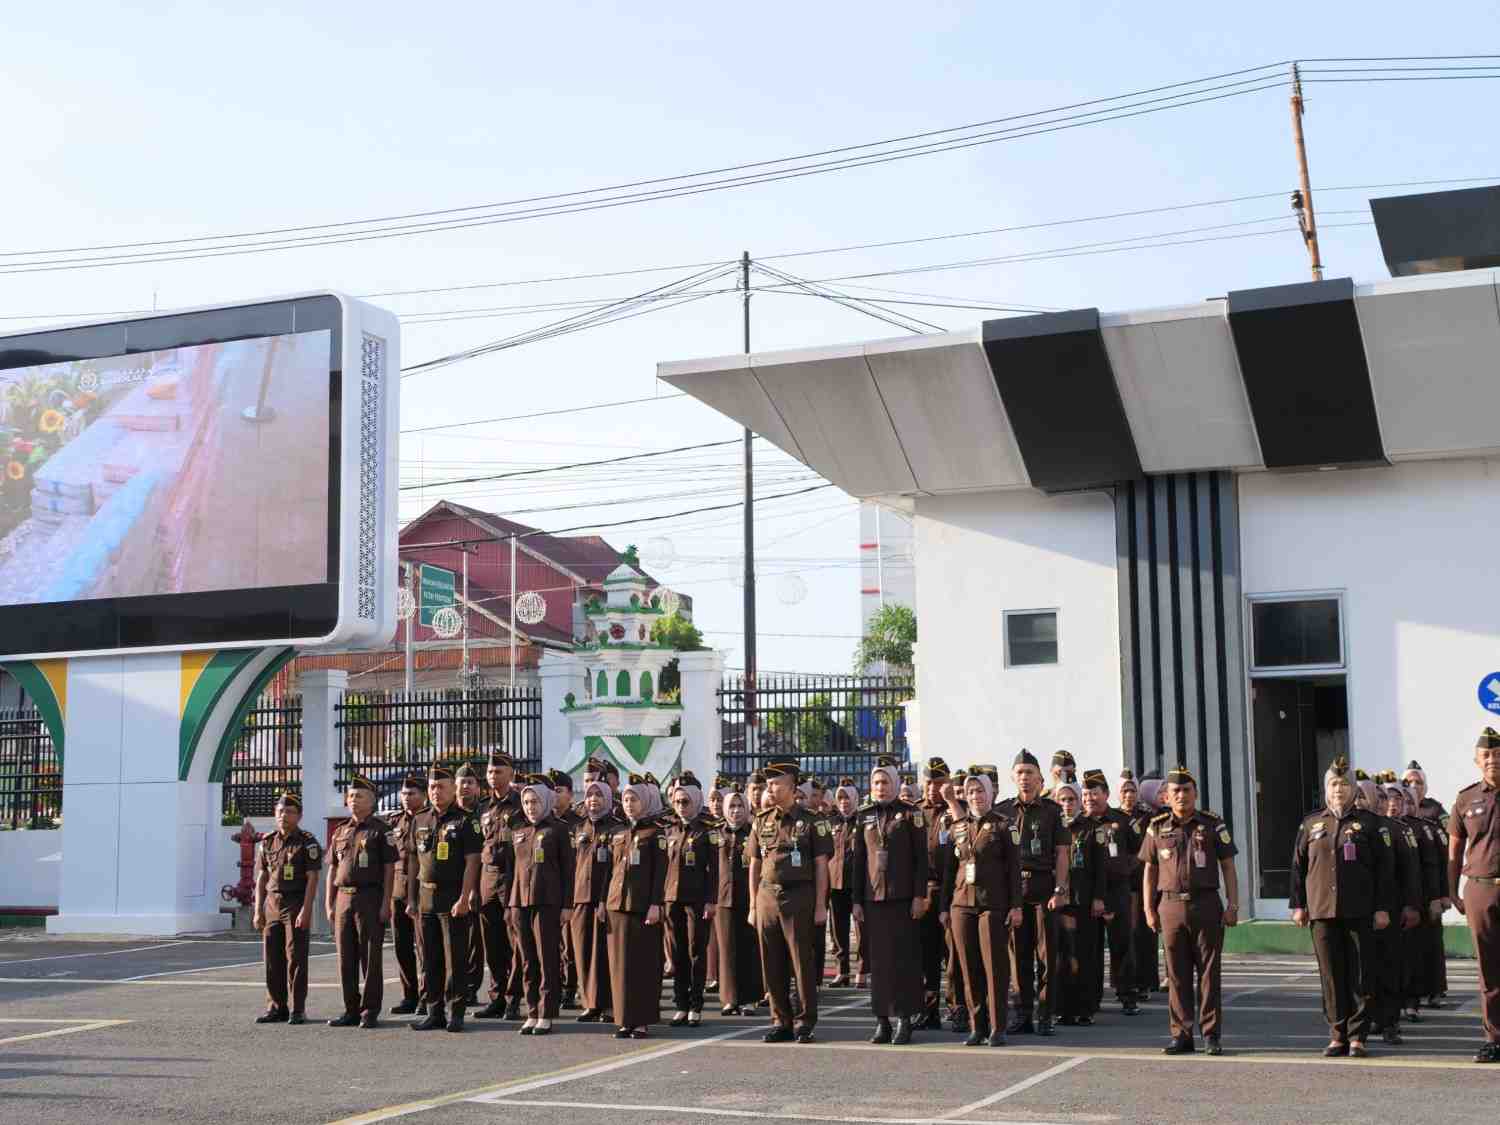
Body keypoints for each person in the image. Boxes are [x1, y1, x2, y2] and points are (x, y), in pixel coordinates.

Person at [1290, 758, 1393, 1057]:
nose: (1339, 789)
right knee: (1331, 976)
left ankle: (1358, 1036)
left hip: (1360, 910)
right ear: (1326, 788)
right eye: (1334, 784)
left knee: (1361, 974)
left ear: (1353, 790)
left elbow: (1385, 871)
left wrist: (1383, 908)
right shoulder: (1311, 823)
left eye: (1345, 784)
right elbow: (1298, 866)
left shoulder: (1370, 823)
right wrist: (1298, 904)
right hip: (1322, 910)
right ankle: (1337, 1034)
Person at [1140, 765, 1238, 1056]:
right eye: (1175, 791)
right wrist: (1148, 908)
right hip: (1169, 906)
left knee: (1209, 973)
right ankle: (1181, 1034)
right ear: (1167, 797)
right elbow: (1149, 870)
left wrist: (1233, 905)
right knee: (1176, 974)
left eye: (1186, 790)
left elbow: (1228, 866)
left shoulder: (1211, 824)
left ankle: (1211, 1034)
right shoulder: (1157, 826)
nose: (1181, 795)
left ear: (1195, 794)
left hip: (1205, 904)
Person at [748, 757, 831, 1044]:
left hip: (800, 896)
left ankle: (805, 1021)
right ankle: (780, 1020)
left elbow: (822, 866)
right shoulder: (761, 821)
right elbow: (754, 865)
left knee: (801, 962)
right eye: (769, 783)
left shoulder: (811, 821)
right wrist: (752, 905)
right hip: (767, 895)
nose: (771, 787)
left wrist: (821, 905)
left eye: (777, 782)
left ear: (792, 786)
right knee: (771, 962)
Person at [941, 768, 1021, 1046]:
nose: (976, 796)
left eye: (980, 790)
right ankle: (978, 1026)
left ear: (991, 793)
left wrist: (1016, 906)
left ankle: (998, 1028)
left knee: (994, 967)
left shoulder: (1004, 825)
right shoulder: (958, 827)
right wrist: (944, 907)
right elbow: (949, 871)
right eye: (971, 791)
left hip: (993, 905)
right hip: (961, 904)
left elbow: (1014, 869)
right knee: (968, 967)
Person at [852, 756, 929, 1045]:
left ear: (896, 783)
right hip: (873, 899)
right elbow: (858, 861)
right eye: (876, 782)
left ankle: (904, 1020)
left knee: (904, 961)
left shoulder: (911, 815)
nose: (881, 787)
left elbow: (921, 859)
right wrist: (857, 900)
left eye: (885, 781)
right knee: (879, 963)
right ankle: (882, 1020)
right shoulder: (864, 815)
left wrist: (919, 896)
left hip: (903, 898)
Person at [996, 749, 1068, 1036]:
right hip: (1014, 893)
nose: (1025, 778)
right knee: (1018, 957)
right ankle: (1022, 1014)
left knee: (1046, 957)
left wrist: (1060, 889)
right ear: (1013, 777)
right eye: (1020, 773)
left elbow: (1062, 854)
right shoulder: (1002, 811)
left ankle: (1045, 1015)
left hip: (1043, 889)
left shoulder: (1052, 812)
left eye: (1030, 774)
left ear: (1040, 779)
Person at [408, 763, 482, 1032]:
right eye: (432, 787)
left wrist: (465, 897)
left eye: (441, 787)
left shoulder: (465, 820)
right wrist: (411, 900)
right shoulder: (421, 819)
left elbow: (473, 861)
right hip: (426, 896)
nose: (436, 791)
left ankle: (457, 1011)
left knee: (455, 959)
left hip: (452, 897)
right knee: (430, 959)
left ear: (452, 789)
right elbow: (413, 861)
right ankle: (434, 1011)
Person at [325, 774, 396, 1029]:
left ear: (372, 800)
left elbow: (390, 868)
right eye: (351, 796)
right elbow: (332, 869)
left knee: (370, 957)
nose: (354, 800)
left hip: (370, 896)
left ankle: (370, 1010)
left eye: (360, 796)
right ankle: (350, 1009)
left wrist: (386, 901)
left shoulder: (381, 830)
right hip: (344, 897)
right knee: (346, 957)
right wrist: (329, 902)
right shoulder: (341, 831)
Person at [1449, 726, 1500, 1063]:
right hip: (1480, 890)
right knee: (1489, 969)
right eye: (1486, 756)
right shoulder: (1466, 799)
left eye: (1497, 754)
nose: (1493, 760)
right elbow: (1454, 849)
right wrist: (1451, 892)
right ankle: (1495, 1038)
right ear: (1476, 761)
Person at [510, 774, 575, 1035]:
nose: (530, 807)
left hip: (547, 902)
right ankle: (532, 1010)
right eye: (526, 802)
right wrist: (510, 904)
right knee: (527, 960)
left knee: (547, 958)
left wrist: (567, 905)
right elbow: (512, 869)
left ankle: (547, 1012)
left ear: (546, 801)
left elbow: (568, 869)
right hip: (521, 901)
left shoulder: (558, 829)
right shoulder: (519, 829)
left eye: (535, 801)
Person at [607, 774, 668, 1038]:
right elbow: (610, 871)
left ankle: (641, 1020)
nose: (629, 804)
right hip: (616, 906)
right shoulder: (619, 832)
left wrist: (656, 904)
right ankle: (624, 1019)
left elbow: (660, 873)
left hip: (643, 907)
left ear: (645, 801)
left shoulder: (655, 833)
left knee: (643, 965)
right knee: (620, 966)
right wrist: (603, 901)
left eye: (634, 799)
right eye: (626, 799)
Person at [253, 790, 321, 1025]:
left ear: (299, 816)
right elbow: (262, 877)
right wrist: (257, 909)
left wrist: (306, 909)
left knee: (296, 958)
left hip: (295, 902)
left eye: (289, 812)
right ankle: (276, 1006)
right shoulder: (267, 841)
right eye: (280, 811)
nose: (284, 815)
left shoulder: (307, 841)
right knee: (272, 958)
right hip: (272, 903)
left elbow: (313, 877)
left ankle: (297, 1008)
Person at [1365, 778, 1422, 1045]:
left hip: (1392, 908)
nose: (1379, 800)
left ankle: (1390, 1023)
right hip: (1361, 910)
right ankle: (1370, 1019)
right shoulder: (1360, 827)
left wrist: (1411, 905)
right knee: (1366, 970)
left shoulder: (1396, 829)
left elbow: (1411, 872)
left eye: (1380, 796)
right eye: (1372, 795)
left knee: (1389, 967)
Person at [664, 771, 719, 1027]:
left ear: (696, 801)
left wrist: (711, 900)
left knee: (696, 952)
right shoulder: (669, 828)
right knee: (677, 955)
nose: (681, 807)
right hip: (671, 899)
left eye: (685, 802)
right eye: (677, 802)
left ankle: (696, 1005)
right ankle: (681, 1005)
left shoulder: (707, 830)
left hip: (697, 900)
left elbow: (715, 869)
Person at [474, 751, 525, 1020]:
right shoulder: (483, 807)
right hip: (488, 879)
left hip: (512, 876)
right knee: (491, 942)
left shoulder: (520, 805)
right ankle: (496, 997)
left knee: (514, 941)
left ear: (511, 774)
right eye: (491, 772)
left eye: (500, 772)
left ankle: (514, 997)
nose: (494, 776)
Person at [1054, 781, 1110, 1026]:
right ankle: (1063, 1008)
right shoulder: (1051, 827)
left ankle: (1085, 1008)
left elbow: (1101, 866)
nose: (1066, 804)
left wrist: (1099, 897)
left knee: (1084, 955)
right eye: (1062, 800)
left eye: (1071, 799)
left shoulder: (1090, 828)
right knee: (1061, 957)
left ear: (1078, 802)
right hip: (1058, 901)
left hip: (1084, 900)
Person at [1084, 770, 1139, 1016]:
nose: (1089, 799)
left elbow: (1141, 851)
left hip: (1117, 890)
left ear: (1106, 794)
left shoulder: (1121, 820)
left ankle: (1127, 995)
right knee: (1091, 947)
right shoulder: (1078, 823)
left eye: (1094, 793)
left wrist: (1124, 868)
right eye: (1086, 794)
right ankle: (1092, 998)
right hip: (1087, 893)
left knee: (1122, 944)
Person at [572, 778, 621, 1022]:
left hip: (604, 900)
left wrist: (604, 900)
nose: (593, 800)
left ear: (608, 799)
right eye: (589, 795)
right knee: (582, 951)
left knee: (603, 953)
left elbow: (615, 869)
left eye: (598, 795)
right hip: (580, 898)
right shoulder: (579, 828)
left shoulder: (616, 829)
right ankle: (590, 1002)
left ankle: (609, 1004)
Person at [1406, 758, 1452, 1005]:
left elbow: (1448, 849)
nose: (1414, 785)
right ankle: (1412, 995)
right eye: (1409, 781)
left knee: (1433, 942)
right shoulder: (1399, 811)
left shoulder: (1436, 811)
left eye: (1418, 781)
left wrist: (1445, 891)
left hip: (1431, 886)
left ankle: (1435, 990)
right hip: (1409, 890)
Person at [715, 786, 762, 1014]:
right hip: (723, 899)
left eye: (740, 806)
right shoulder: (717, 833)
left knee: (749, 949)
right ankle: (730, 998)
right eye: (731, 806)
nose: (735, 811)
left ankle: (750, 998)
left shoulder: (754, 831)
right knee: (726, 949)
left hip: (749, 898)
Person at [916, 757, 953, 1031]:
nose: (932, 788)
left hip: (953, 891)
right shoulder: (915, 813)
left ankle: (957, 1008)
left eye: (938, 782)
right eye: (929, 782)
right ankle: (929, 1012)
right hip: (925, 891)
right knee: (926, 956)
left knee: (954, 956)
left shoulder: (956, 812)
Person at [387, 775, 428, 1016]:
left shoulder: (429, 819)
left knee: (425, 948)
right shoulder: (395, 821)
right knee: (402, 946)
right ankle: (409, 995)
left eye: (412, 793)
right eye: (404, 793)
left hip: (422, 890)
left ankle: (428, 995)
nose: (406, 797)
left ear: (423, 795)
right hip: (398, 889)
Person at [1120, 770, 1160, 1003]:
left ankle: (1146, 981)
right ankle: (1128, 982)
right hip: (1122, 883)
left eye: (1132, 790)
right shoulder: (1114, 817)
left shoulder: (1146, 818)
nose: (1128, 795)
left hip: (1142, 881)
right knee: (1128, 934)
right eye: (1125, 790)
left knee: (1144, 934)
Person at [548, 769, 582, 1011]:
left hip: (573, 890)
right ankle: (555, 985)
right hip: (550, 890)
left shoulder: (578, 824)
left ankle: (571, 988)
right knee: (551, 944)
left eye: (558, 791)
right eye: (551, 791)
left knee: (570, 944)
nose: (554, 795)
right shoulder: (543, 823)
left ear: (570, 795)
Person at [454, 762, 487, 1005]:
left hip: (478, 883)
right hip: (449, 885)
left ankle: (471, 988)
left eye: (470, 783)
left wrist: (474, 889)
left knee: (474, 940)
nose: (465, 786)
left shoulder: (483, 813)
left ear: (478, 788)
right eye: (461, 782)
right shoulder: (447, 812)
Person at [827, 777, 860, 987]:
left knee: (861, 930)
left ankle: (863, 971)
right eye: (840, 798)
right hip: (835, 883)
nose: (844, 802)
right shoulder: (832, 821)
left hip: (857, 883)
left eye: (847, 798)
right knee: (838, 931)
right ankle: (842, 971)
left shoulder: (864, 819)